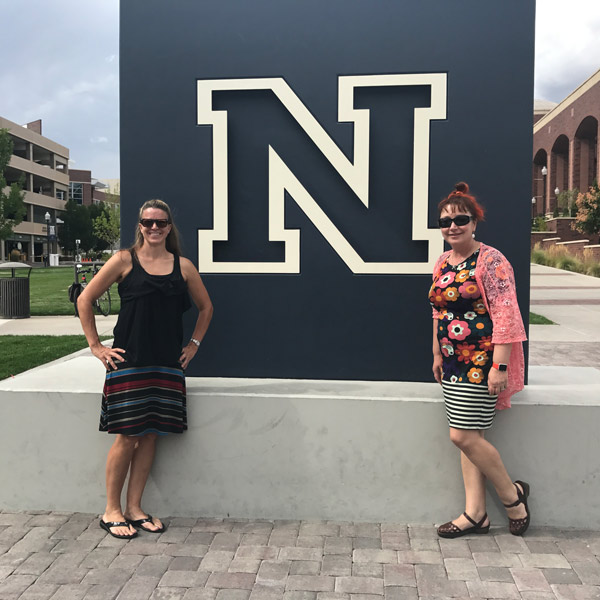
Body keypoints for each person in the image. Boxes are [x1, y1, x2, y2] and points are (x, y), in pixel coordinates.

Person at [78, 199, 213, 539]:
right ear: (140, 225)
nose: (155, 228)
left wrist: (193, 346)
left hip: (166, 364)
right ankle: (112, 510)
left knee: (151, 434)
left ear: (170, 227)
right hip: (129, 363)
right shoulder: (123, 260)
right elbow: (84, 299)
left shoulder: (182, 266)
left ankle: (135, 508)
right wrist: (96, 347)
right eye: (149, 222)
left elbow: (206, 307)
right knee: (127, 436)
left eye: (161, 222)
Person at [428, 182, 529, 537]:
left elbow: (507, 317)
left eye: (460, 219)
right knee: (469, 432)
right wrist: (438, 351)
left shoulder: (491, 260)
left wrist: (500, 367)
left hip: (482, 362)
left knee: (462, 436)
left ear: (474, 223)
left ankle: (512, 496)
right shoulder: (443, 261)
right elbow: (439, 311)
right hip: (453, 361)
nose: (452, 226)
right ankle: (475, 514)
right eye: (445, 221)